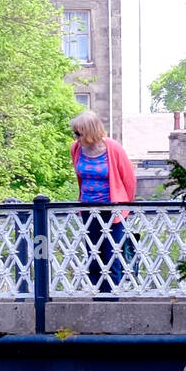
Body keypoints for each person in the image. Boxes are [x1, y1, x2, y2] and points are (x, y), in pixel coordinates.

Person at [70, 110, 136, 296]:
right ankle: (98, 296)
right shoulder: (76, 148)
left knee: (111, 255)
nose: (76, 137)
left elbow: (129, 180)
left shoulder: (113, 149)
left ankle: (111, 299)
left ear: (90, 132)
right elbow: (80, 176)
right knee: (93, 256)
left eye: (79, 133)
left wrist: (126, 207)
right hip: (88, 209)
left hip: (112, 210)